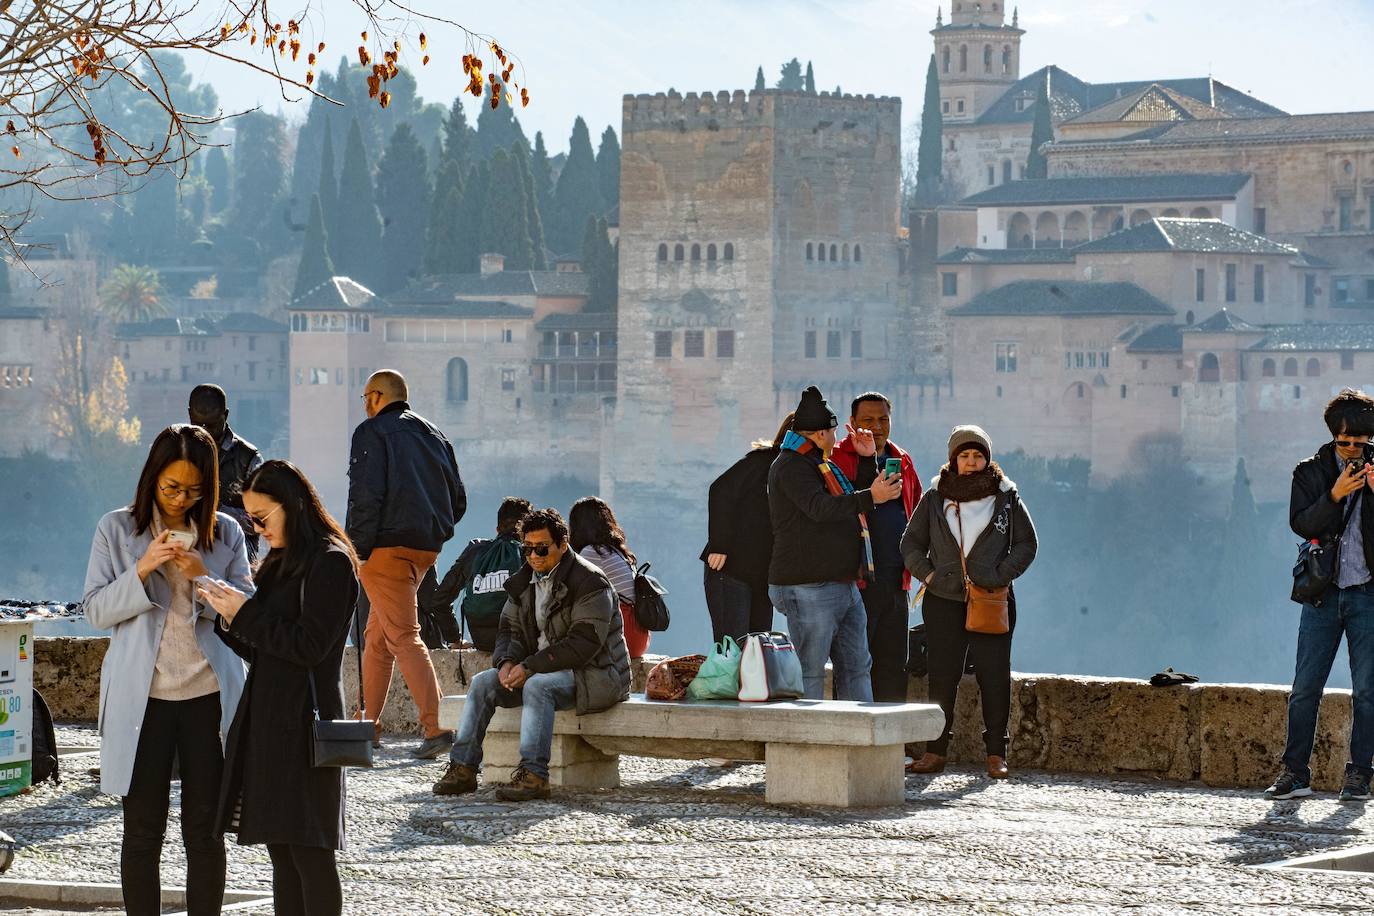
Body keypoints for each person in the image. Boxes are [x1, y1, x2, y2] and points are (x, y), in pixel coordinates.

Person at [82, 425, 252, 916]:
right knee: (141, 830)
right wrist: (141, 568)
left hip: (208, 695)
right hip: (144, 698)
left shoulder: (226, 532)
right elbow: (94, 610)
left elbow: (249, 610)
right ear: (151, 479)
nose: (181, 499)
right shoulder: (116, 529)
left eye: (193, 490)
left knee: (205, 831)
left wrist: (206, 577)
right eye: (170, 487)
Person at [197, 460, 361, 916]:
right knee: (282, 853)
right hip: (270, 721)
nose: (257, 528)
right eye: (251, 519)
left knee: (310, 850)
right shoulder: (281, 560)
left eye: (263, 518)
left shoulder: (331, 561)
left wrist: (244, 615)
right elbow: (266, 646)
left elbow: (310, 646)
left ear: (292, 506)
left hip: (305, 725)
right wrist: (223, 612)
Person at [432, 508, 631, 801]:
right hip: (540, 668)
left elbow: (584, 643)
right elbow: (509, 630)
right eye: (528, 549)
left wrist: (529, 667)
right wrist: (506, 662)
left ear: (563, 545)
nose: (534, 556)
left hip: (597, 674)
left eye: (542, 548)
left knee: (539, 686)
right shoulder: (524, 580)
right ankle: (462, 768)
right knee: (484, 682)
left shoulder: (590, 582)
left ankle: (534, 774)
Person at [901, 425, 1037, 779]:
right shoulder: (935, 497)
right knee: (942, 677)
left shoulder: (1006, 496)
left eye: (978, 456)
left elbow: (1027, 544)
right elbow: (910, 544)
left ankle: (996, 753)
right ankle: (935, 751)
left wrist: (999, 575)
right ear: (953, 459)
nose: (972, 462)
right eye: (965, 456)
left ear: (987, 459)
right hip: (943, 599)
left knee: (994, 676)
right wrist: (930, 576)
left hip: (992, 600)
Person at [347, 369, 467, 759]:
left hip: (384, 549)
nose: (364, 404)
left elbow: (365, 497)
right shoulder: (434, 434)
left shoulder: (372, 433)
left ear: (378, 397)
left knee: (402, 636)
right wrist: (434, 530)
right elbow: (458, 499)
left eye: (366, 397)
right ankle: (368, 723)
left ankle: (436, 727)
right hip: (426, 548)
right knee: (377, 637)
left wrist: (355, 551)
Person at [1269, 389, 1374, 802]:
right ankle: (1295, 773)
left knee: (1367, 690)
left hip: (1367, 593)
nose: (1352, 449)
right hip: (1322, 594)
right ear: (1334, 436)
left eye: (1361, 441)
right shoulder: (1309, 472)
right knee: (1306, 687)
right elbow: (1301, 524)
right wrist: (1335, 494)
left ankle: (1360, 774)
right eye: (1345, 440)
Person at [767, 386, 902, 701]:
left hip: (842, 583)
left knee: (857, 665)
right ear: (817, 434)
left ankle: (857, 737)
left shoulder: (819, 463)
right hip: (808, 584)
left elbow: (847, 496)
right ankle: (808, 743)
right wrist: (872, 497)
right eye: (830, 430)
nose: (834, 436)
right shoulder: (790, 466)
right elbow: (820, 508)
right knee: (811, 668)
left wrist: (867, 460)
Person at [831, 392, 923, 702]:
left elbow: (916, 511)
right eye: (868, 420)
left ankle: (890, 740)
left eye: (883, 419)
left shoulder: (903, 459)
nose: (877, 427)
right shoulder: (838, 458)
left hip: (897, 578)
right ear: (853, 423)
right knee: (856, 662)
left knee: (894, 663)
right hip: (857, 580)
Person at [700, 414, 792, 644]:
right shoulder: (764, 461)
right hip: (730, 569)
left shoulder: (802, 472)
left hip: (763, 574)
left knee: (758, 650)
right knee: (731, 649)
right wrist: (719, 544)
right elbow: (720, 489)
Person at [425, 497, 533, 652]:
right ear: (527, 530)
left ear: (497, 529)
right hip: (520, 642)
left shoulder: (475, 550)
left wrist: (454, 638)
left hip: (483, 641)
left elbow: (439, 600)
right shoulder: (532, 553)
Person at [188, 384, 264, 561]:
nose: (205, 432)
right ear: (189, 414)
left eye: (212, 425)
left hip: (236, 550)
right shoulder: (179, 450)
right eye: (199, 425)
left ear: (226, 415)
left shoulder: (248, 458)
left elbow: (260, 521)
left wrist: (214, 510)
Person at [568, 496, 646, 658]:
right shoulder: (615, 551)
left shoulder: (592, 552)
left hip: (623, 636)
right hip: (637, 634)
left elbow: (571, 594)